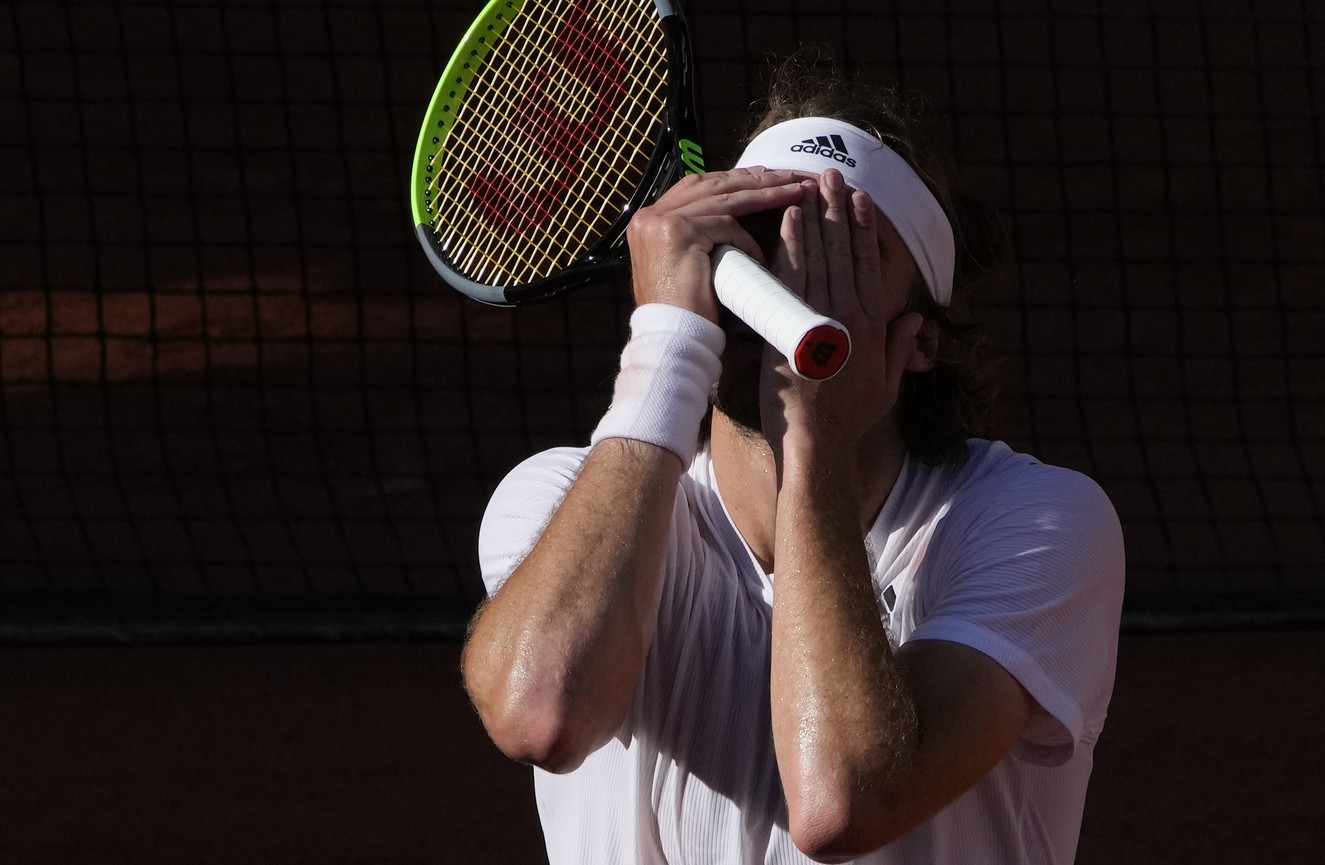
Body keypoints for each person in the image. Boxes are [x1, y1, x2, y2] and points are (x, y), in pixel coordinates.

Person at [463, 62, 1125, 864]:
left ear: (917, 342)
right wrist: (667, 348)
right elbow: (542, 712)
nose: (782, 266)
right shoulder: (561, 496)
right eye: (762, 224)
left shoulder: (1034, 522)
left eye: (838, 250)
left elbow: (843, 800)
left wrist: (813, 436)